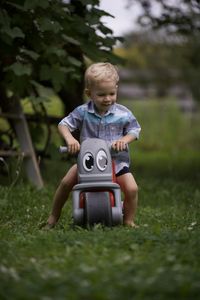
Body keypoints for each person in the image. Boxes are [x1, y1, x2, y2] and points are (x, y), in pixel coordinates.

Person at [45, 62, 141, 229]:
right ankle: (53, 216)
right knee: (66, 182)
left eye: (112, 93)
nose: (108, 98)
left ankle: (129, 220)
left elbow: (134, 129)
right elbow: (63, 125)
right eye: (101, 94)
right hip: (87, 164)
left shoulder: (123, 113)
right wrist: (71, 140)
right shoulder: (83, 112)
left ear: (116, 89)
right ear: (89, 93)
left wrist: (124, 141)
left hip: (116, 163)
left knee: (132, 188)